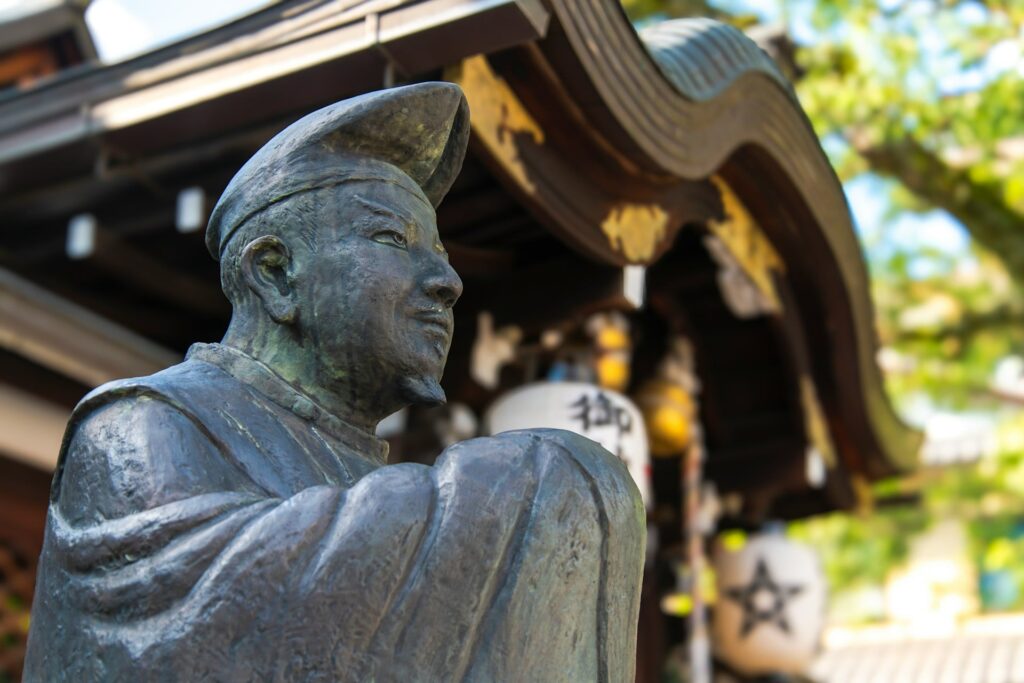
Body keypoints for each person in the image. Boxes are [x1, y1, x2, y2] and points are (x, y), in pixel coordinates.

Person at [24, 82, 644, 682]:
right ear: (274, 274)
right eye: (392, 238)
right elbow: (206, 630)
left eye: (442, 253)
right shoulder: (142, 426)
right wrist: (537, 479)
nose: (447, 282)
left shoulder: (365, 471)